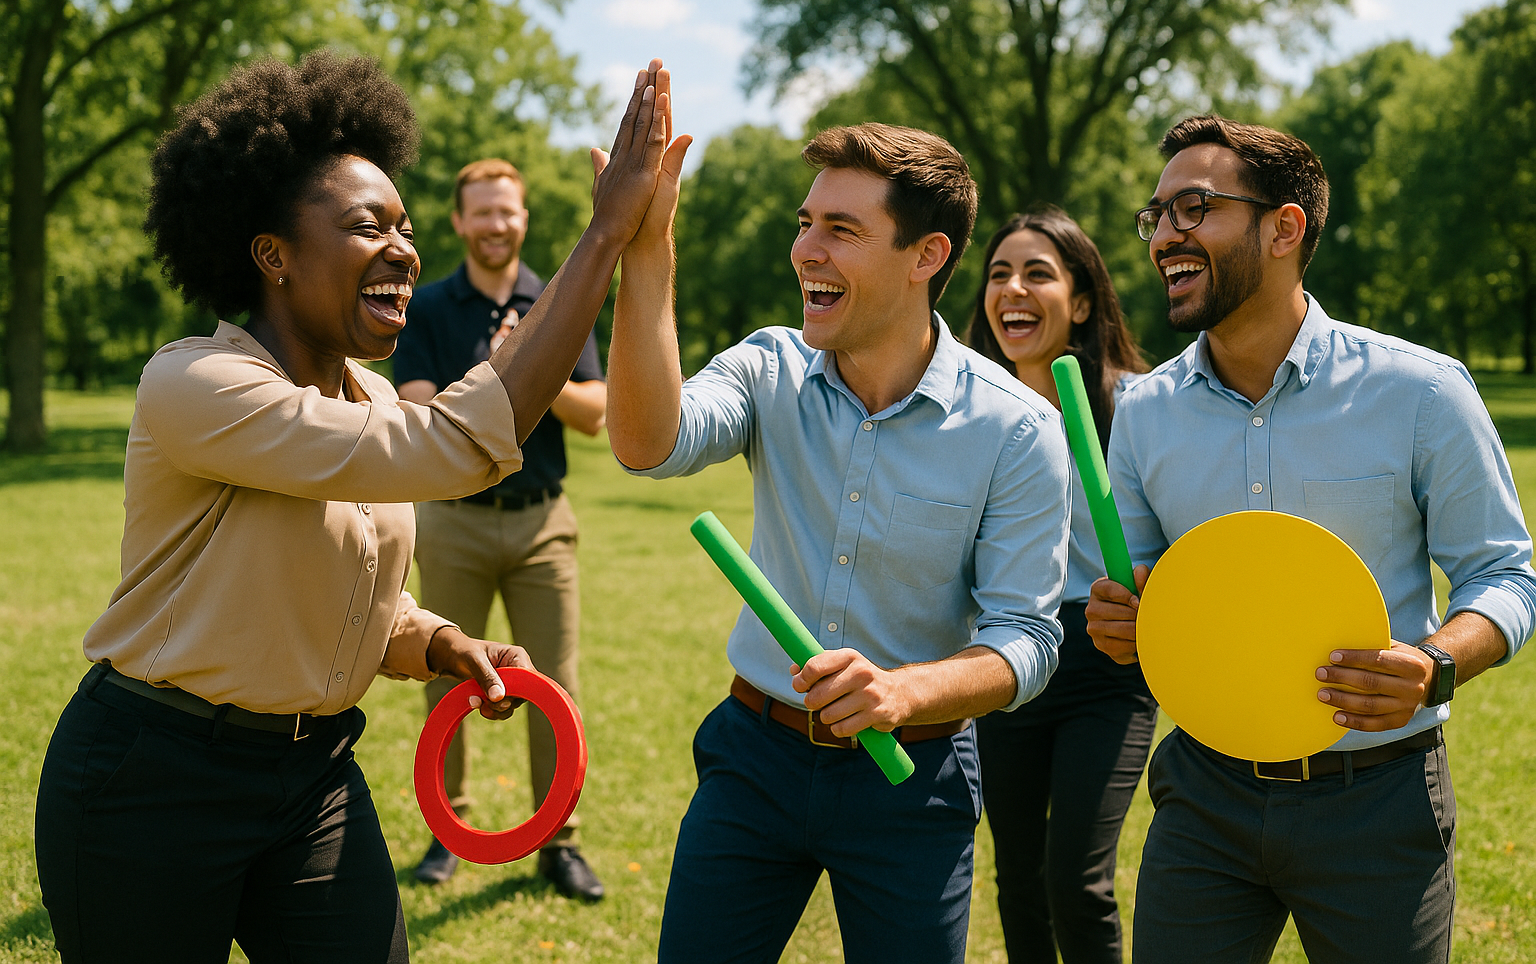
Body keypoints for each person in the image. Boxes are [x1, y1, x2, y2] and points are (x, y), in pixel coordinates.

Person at [32, 51, 686, 962]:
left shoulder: (370, 398)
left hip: (314, 778)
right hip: (153, 778)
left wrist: (436, 641)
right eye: (366, 226)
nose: (404, 250)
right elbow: (454, 446)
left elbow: (351, 577)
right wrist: (607, 232)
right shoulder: (197, 383)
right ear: (273, 255)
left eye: (406, 228)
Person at [606, 122, 1072, 964]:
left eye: (841, 229)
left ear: (926, 255)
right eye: (805, 223)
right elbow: (647, 444)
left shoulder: (1017, 430)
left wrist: (902, 692)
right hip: (754, 759)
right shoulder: (767, 368)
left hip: (913, 780)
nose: (804, 251)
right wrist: (647, 248)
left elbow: (1028, 640)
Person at [1086, 115, 1536, 964]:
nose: (1164, 235)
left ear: (1284, 228)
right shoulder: (1143, 412)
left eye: (1194, 208)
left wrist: (1435, 664)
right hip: (1204, 795)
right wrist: (1122, 621)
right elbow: (1140, 592)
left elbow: (1506, 576)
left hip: (1380, 800)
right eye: (1157, 216)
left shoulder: (1423, 392)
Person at [392, 158, 607, 899]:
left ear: (524, 218)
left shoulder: (558, 300)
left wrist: (526, 362)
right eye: (481, 211)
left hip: (543, 523)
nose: (495, 224)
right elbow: (419, 409)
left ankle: (559, 841)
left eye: (506, 211)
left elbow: (595, 412)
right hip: (453, 522)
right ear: (459, 221)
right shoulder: (426, 305)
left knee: (554, 684)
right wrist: (499, 373)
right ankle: (447, 829)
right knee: (444, 673)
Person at [964, 205, 1156, 964]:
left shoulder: (1140, 405)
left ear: (1080, 302)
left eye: (1037, 273)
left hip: (1107, 661)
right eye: (999, 273)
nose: (1013, 288)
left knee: (1076, 879)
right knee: (1018, 876)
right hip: (1003, 656)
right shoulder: (971, 412)